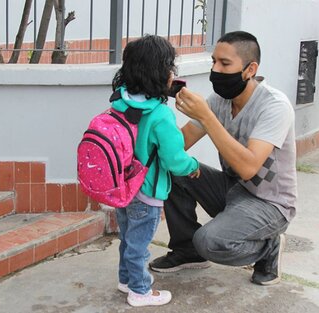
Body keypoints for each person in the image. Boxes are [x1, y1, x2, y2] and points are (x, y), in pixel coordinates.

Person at [148, 31, 297, 286]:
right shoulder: (218, 100)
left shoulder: (274, 106)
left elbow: (249, 167)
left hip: (270, 203)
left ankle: (268, 249)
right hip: (233, 189)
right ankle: (186, 250)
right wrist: (155, 109)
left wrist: (207, 117)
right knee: (174, 167)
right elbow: (180, 144)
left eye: (225, 64)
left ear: (250, 69)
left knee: (210, 241)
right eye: (214, 62)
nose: (215, 70)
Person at [111, 35, 200, 307]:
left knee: (127, 239)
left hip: (123, 188)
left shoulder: (119, 101)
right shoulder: (161, 115)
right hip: (147, 192)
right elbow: (174, 159)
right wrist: (193, 166)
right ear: (161, 72)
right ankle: (140, 291)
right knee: (139, 246)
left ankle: (125, 280)